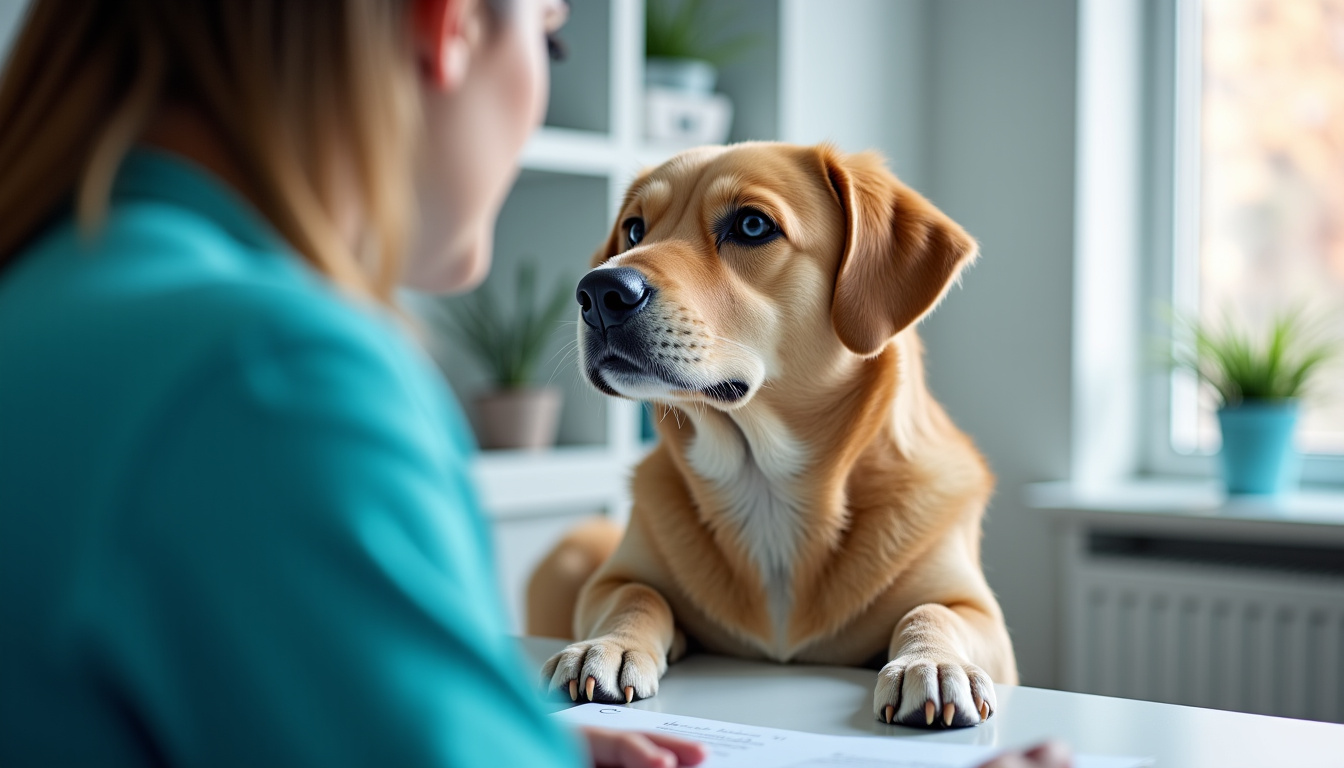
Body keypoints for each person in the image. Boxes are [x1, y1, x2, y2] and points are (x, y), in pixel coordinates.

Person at [0, 1, 1069, 766]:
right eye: (552, 31)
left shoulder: (53, 300)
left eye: (745, 231)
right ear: (446, 25)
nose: (616, 275)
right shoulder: (276, 378)